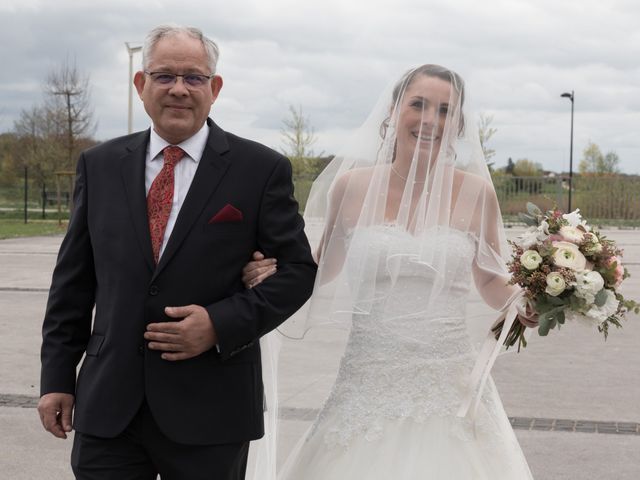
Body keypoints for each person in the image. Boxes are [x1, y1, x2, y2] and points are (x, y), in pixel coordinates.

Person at [37, 24, 316, 480]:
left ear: (215, 87)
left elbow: (298, 271)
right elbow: (73, 282)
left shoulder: (261, 169)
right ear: (141, 84)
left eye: (194, 77)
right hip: (109, 406)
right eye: (165, 76)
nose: (179, 89)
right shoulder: (100, 165)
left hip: (211, 407)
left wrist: (219, 324)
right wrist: (56, 379)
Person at [243, 64, 536, 479]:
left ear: (458, 124)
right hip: (367, 379)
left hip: (448, 379)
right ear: (394, 110)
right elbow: (320, 269)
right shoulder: (352, 187)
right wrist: (273, 273)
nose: (431, 119)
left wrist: (525, 299)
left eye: (445, 110)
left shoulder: (477, 192)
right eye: (419, 104)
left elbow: (488, 277)